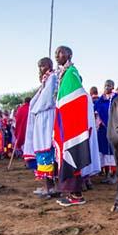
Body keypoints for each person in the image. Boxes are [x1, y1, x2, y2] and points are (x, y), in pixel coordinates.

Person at [53, 45, 99, 206]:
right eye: (56, 53)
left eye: (60, 52)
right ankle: (73, 194)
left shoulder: (71, 73)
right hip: (68, 125)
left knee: (72, 154)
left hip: (73, 126)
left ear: (69, 55)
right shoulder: (64, 75)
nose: (57, 55)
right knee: (69, 155)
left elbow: (78, 99)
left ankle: (77, 196)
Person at [24, 58, 58, 197]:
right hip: (42, 119)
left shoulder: (53, 78)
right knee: (44, 152)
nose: (40, 68)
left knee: (46, 152)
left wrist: (33, 109)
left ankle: (49, 188)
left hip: (47, 118)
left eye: (43, 65)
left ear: (49, 65)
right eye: (39, 66)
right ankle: (49, 186)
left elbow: (45, 101)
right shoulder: (46, 79)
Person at [94, 79, 118, 182]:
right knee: (104, 153)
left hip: (114, 130)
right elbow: (96, 108)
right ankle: (107, 175)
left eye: (109, 85)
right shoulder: (101, 99)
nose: (106, 87)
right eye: (105, 85)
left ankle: (115, 175)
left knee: (113, 153)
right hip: (102, 130)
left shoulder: (116, 99)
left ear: (113, 87)